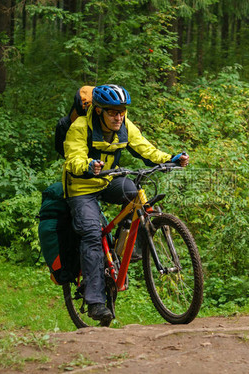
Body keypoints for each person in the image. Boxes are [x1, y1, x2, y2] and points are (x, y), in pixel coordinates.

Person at [62, 84, 189, 324]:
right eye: (112, 112)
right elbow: (74, 158)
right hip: (82, 187)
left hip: (108, 180)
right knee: (91, 234)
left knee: (138, 197)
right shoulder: (79, 128)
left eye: (121, 111)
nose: (118, 116)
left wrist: (169, 158)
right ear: (99, 111)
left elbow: (145, 148)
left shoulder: (124, 126)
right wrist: (87, 166)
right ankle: (96, 302)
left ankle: (131, 250)